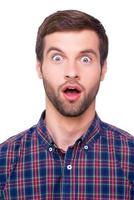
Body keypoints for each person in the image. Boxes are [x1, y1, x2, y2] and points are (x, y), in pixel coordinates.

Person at [0, 9, 134, 200]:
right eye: (57, 58)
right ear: (39, 67)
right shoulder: (4, 163)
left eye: (85, 59)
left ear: (103, 69)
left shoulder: (130, 159)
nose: (71, 72)